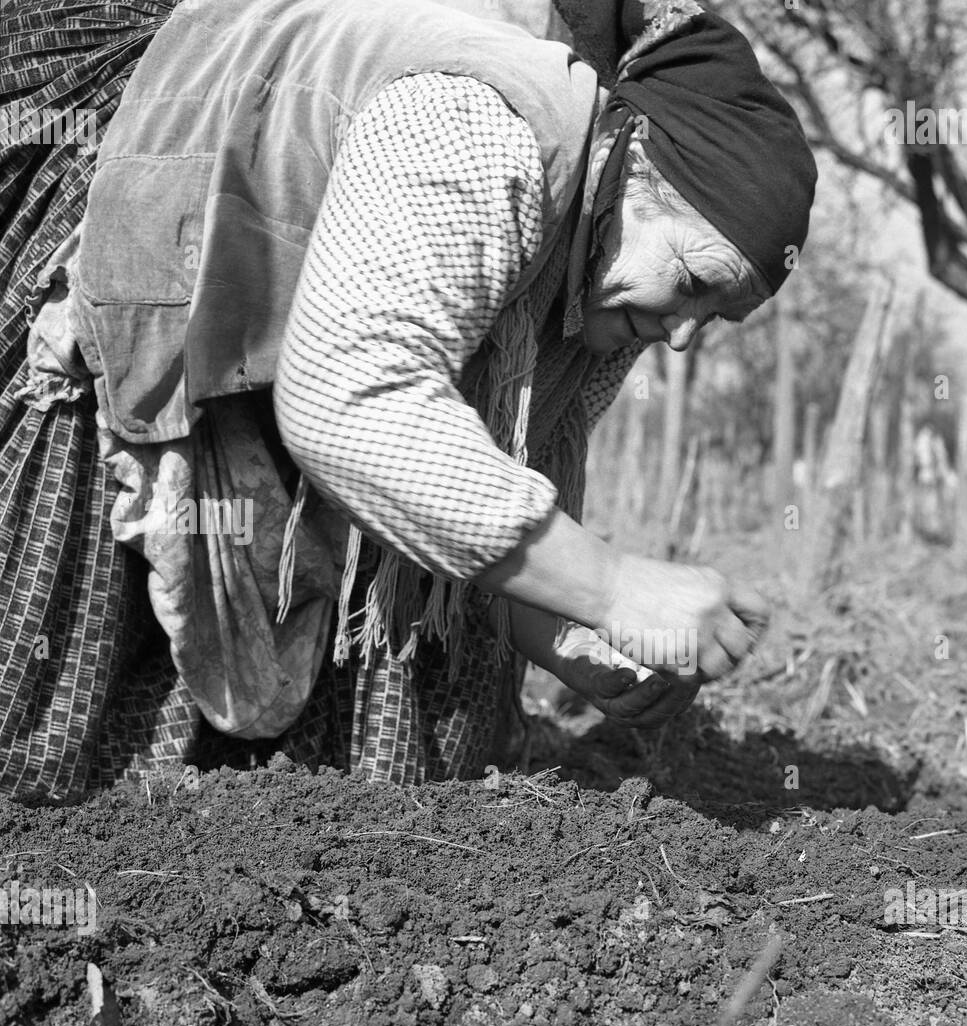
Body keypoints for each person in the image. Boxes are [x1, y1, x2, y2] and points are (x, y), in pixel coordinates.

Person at [0, 0, 816, 801]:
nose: (680, 336)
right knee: (44, 726)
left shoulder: (603, 293)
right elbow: (354, 406)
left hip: (286, 370)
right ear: (632, 164)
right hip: (159, 250)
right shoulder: (480, 133)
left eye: (716, 316)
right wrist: (612, 586)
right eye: (695, 282)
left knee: (363, 773)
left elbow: (462, 497)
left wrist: (572, 640)